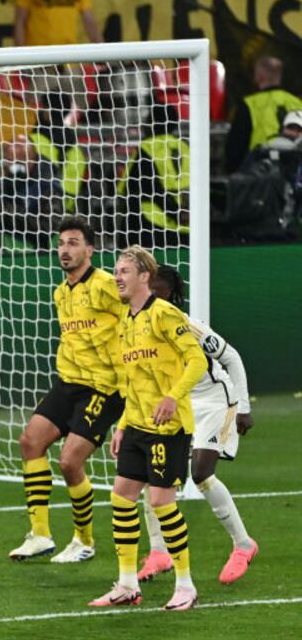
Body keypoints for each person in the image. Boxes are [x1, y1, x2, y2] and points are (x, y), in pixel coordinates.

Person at [89, 246, 204, 611]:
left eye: (124, 271)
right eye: (116, 270)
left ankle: (185, 585)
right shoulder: (125, 321)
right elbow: (132, 380)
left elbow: (197, 359)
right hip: (137, 425)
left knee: (160, 502)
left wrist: (173, 396)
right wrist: (122, 425)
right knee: (121, 497)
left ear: (144, 277)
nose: (117, 277)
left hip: (168, 427)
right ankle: (126, 584)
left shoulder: (165, 314)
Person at [9, 216, 127, 563]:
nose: (65, 249)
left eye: (74, 242)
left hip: (104, 387)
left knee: (69, 461)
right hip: (69, 381)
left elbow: (134, 319)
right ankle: (41, 535)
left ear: (90, 250)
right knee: (30, 441)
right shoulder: (61, 293)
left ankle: (84, 540)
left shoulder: (107, 285)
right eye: (62, 243)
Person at [137, 266, 258, 586]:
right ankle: (159, 553)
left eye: (158, 291)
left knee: (201, 473)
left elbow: (231, 358)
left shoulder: (190, 326)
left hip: (216, 402)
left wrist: (243, 408)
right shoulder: (142, 328)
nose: (151, 296)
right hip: (179, 405)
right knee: (155, 473)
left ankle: (244, 545)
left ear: (171, 296)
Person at [225, 54, 302, 171]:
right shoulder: (297, 103)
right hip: (295, 172)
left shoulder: (250, 104)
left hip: (260, 175)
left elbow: (235, 149)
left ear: (259, 76)